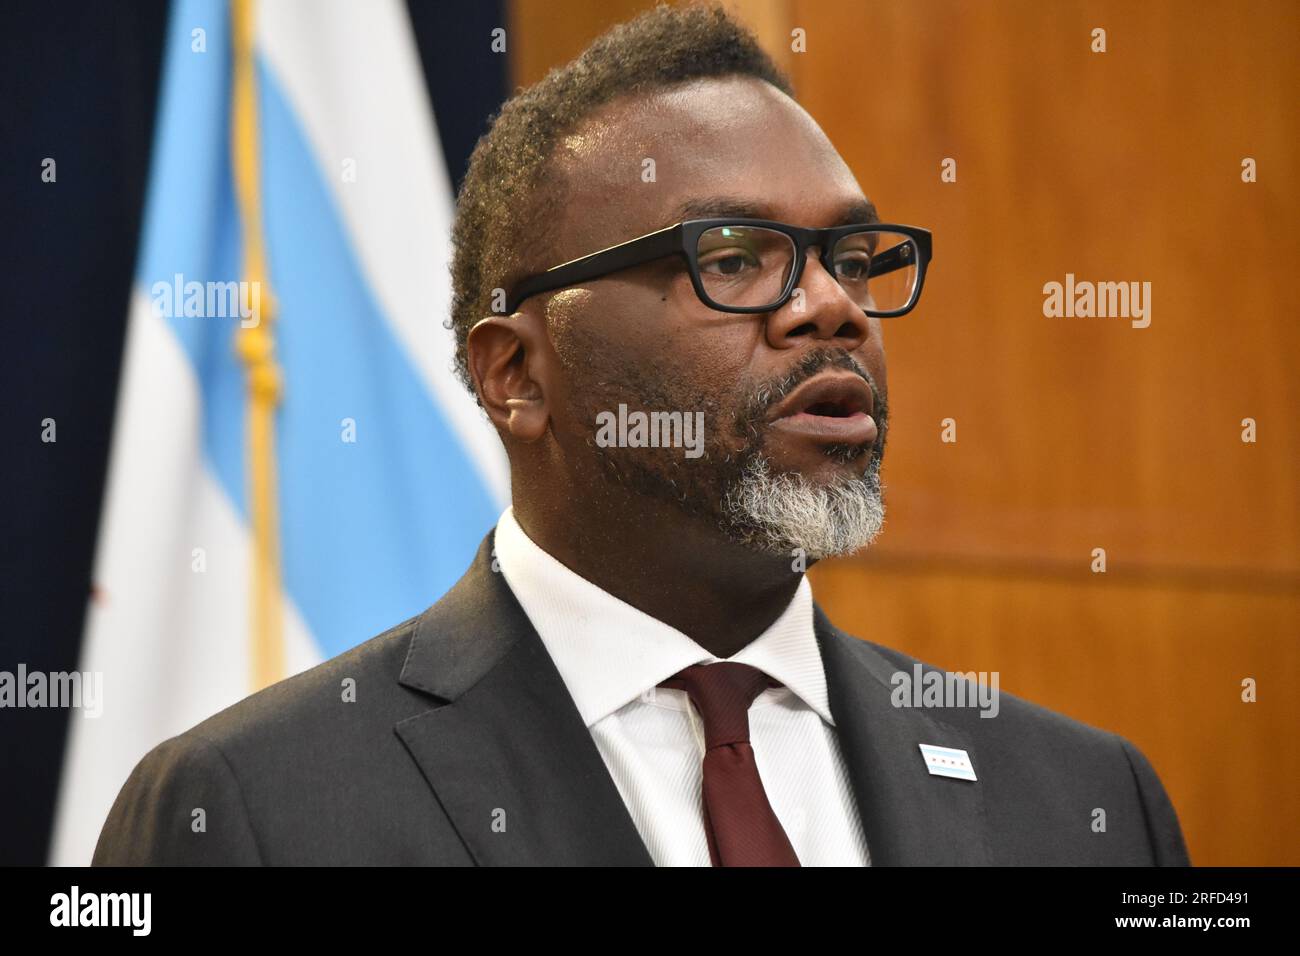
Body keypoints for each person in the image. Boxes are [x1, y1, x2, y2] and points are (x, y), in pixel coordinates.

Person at [93, 2, 1190, 866]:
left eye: (852, 259)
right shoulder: (258, 808)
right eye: (734, 258)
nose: (832, 307)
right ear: (515, 371)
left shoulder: (1086, 801)